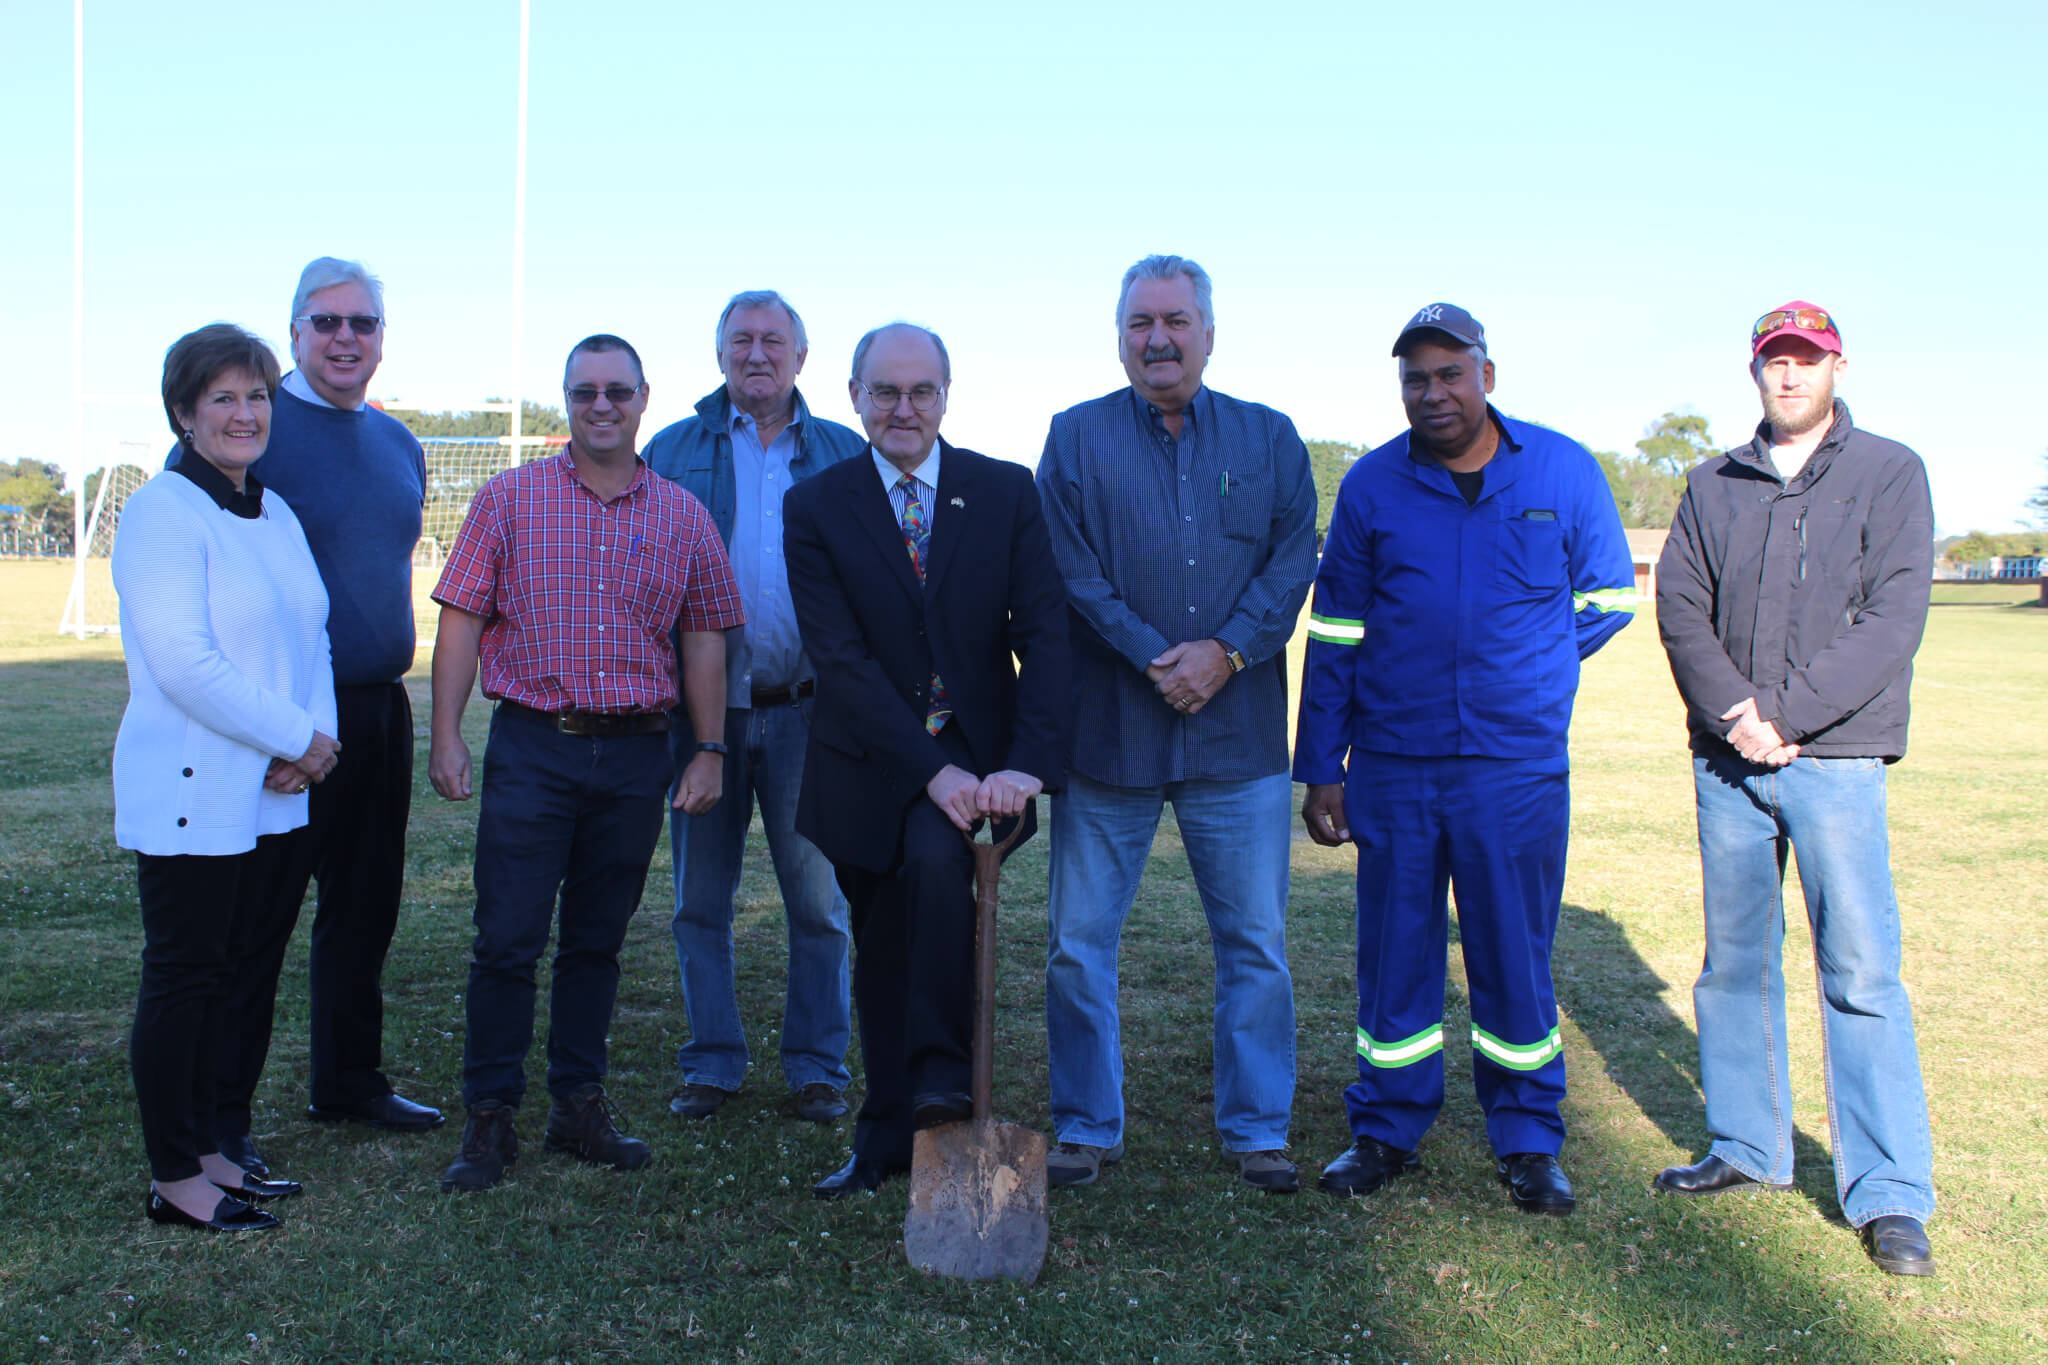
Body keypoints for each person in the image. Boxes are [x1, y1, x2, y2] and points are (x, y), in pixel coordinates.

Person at [1296, 303, 1635, 1216]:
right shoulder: (1372, 484)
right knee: (1394, 953)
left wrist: (1533, 667)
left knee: (1513, 953)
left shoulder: (1562, 469)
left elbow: (1609, 598)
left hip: (1513, 767)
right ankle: (1386, 1127)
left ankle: (1528, 1138)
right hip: (1395, 762)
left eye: (1450, 372)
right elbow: (1335, 630)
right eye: (1416, 377)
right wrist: (1322, 764)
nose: (1433, 392)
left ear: (1487, 374)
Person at [1653, 302, 1938, 1276]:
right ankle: (1745, 1144)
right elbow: (1680, 606)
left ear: (1836, 366)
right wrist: (1737, 714)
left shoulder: (1888, 472)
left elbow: (1892, 616)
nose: (1789, 374)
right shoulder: (1712, 482)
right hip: (1727, 760)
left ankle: (1888, 1192)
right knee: (1733, 963)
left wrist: (1785, 715)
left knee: (1859, 973)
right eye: (1774, 359)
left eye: (1806, 359)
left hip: (1837, 759)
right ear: (1754, 371)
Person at [427, 334, 745, 1193]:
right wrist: (446, 733)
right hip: (535, 745)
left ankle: (577, 1104)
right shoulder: (509, 498)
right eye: (584, 392)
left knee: (596, 941)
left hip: (638, 753)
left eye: (617, 391)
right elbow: (461, 616)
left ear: (644, 398)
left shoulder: (682, 514)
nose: (601, 406)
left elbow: (704, 636)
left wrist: (709, 747)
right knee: (507, 937)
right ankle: (491, 1112)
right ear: (566, 400)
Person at [1035, 254, 1316, 1193]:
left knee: (1255, 945)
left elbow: (1292, 562)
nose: (1158, 339)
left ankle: (1257, 1128)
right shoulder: (1074, 438)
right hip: (1109, 737)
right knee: (1078, 944)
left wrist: (1226, 652)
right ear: (1119, 336)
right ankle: (1085, 1123)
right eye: (1140, 323)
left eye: (1175, 321)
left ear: (1208, 332)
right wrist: (1157, 654)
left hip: (1238, 743)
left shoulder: (1269, 438)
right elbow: (1069, 571)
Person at [784, 323, 1069, 1199]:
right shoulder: (817, 505)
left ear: (946, 396)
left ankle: (940, 1086)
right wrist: (927, 771)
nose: (903, 408)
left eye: (921, 391)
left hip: (981, 766)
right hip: (866, 762)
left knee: (941, 865)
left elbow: (1045, 634)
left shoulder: (1004, 491)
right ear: (854, 397)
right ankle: (885, 1136)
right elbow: (841, 661)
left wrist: (1026, 765)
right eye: (885, 391)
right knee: (879, 936)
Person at [113, 323, 337, 1231]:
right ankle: (175, 1175)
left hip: (277, 792)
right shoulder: (162, 512)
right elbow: (185, 663)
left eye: (258, 396)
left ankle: (215, 1148)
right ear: (184, 412)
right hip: (195, 789)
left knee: (244, 975)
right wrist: (294, 734)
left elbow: (313, 634)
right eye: (224, 398)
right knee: (188, 977)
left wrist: (316, 742)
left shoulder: (274, 511)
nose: (246, 414)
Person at [220, 258, 439, 1173]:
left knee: (364, 905)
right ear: (295, 332)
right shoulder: (255, 427)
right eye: (327, 322)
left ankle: (348, 1078)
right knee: (258, 917)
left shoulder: (398, 443)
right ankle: (222, 1116)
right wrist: (276, 728)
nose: (346, 338)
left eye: (364, 323)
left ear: (382, 336)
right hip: (284, 717)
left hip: (379, 708)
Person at [642, 290, 865, 1124]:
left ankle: (817, 1064)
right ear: (720, 353)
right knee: (700, 899)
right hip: (702, 718)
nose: (758, 353)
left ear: (801, 357)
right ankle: (712, 1060)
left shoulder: (843, 451)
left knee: (819, 903)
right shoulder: (673, 448)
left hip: (810, 711)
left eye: (775, 340)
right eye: (742, 340)